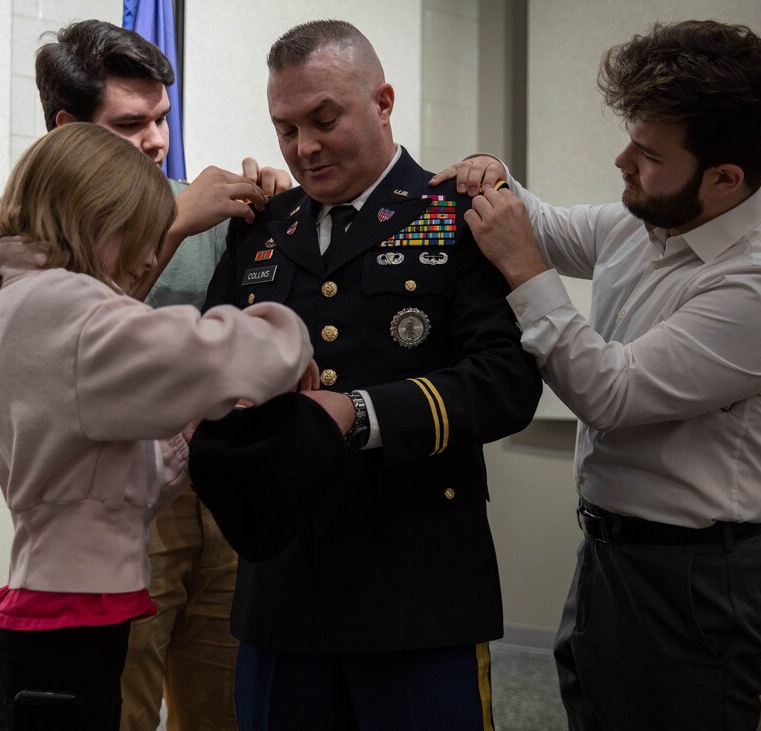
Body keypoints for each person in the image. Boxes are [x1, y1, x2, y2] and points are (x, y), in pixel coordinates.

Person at [437, 19, 761, 731]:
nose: (622, 161)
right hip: (611, 557)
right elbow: (542, 222)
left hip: (699, 581)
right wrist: (494, 174)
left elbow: (610, 393)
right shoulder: (645, 219)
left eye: (646, 152)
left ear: (726, 177)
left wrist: (525, 267)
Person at [203, 20, 543, 730]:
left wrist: (358, 412)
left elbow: (506, 382)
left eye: (324, 119)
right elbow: (205, 365)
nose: (304, 148)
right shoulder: (262, 228)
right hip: (284, 589)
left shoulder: (454, 214)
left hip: (416, 589)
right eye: (286, 128)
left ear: (382, 102)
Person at [0, 20, 289, 730]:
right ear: (67, 128)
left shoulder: (208, 200)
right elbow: (75, 331)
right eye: (131, 123)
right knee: (121, 707)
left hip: (217, 484)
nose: (156, 141)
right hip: (121, 506)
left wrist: (272, 213)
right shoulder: (15, 226)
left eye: (163, 119)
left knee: (223, 705)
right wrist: (172, 223)